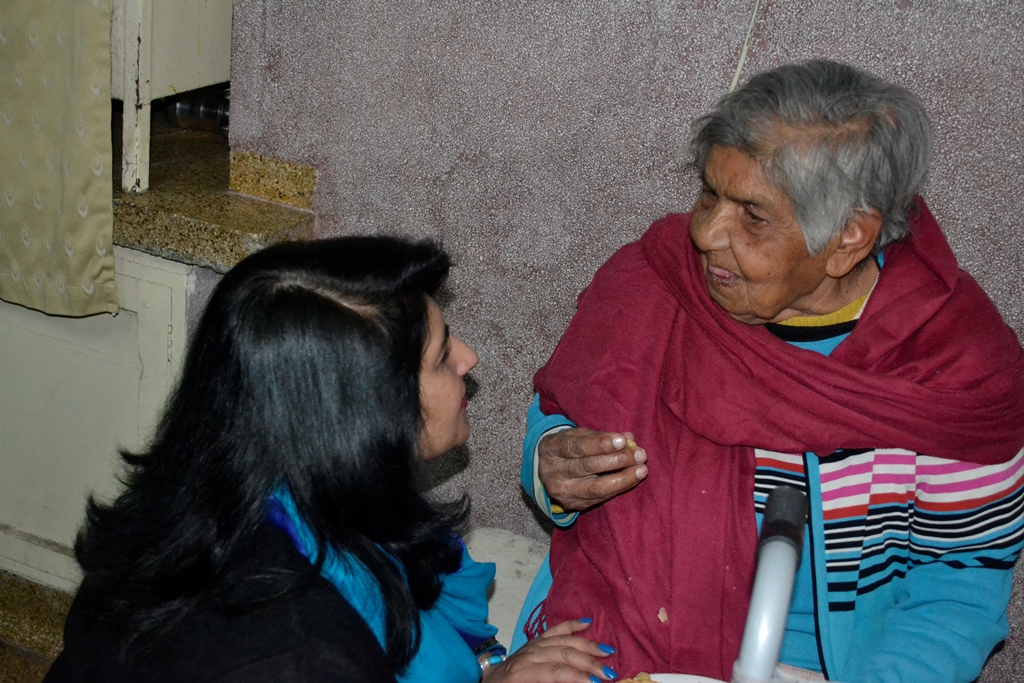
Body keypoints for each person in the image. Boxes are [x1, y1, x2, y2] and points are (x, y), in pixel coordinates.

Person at [513, 59, 1024, 683]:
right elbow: (558, 418)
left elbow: (958, 585)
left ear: (849, 237)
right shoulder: (652, 283)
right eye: (709, 194)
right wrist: (552, 463)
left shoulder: (953, 365)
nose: (706, 234)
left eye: (752, 217)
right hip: (605, 644)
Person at [44, 236, 617, 683]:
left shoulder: (220, 499)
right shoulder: (304, 655)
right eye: (441, 356)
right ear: (361, 414)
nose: (468, 358)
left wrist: (488, 671)